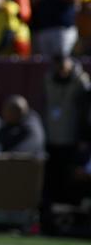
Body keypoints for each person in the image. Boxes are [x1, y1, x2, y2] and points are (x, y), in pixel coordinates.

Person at [42, 56, 90, 206]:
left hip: (71, 137)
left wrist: (82, 136)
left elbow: (84, 110)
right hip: (52, 135)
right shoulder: (49, 80)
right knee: (52, 174)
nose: (61, 71)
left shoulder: (80, 82)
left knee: (69, 174)